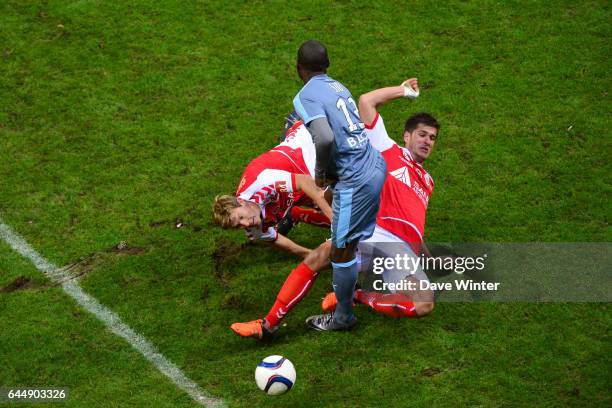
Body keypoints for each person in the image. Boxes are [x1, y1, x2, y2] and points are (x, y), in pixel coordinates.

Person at [230, 78, 439, 340]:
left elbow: (413, 218)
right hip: (371, 231)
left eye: (432, 138)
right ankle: (267, 323)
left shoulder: (428, 181)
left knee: (424, 305)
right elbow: (366, 101)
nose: (427, 141)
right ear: (407, 136)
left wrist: (427, 254)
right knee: (318, 257)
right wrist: (404, 91)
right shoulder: (387, 148)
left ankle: (357, 296)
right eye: (422, 134)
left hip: (403, 249)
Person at [293, 40, 387, 331]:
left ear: (298, 68)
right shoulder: (338, 87)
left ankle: (344, 316)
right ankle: (357, 284)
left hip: (356, 180)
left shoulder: (304, 97)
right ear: (328, 65)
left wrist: (321, 174)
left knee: (341, 249)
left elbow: (324, 137)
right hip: (373, 165)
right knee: (338, 212)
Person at [213, 121, 331, 258]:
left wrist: (331, 214)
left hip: (308, 147)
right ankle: (295, 214)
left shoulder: (259, 183)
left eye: (241, 217)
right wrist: (311, 256)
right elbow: (275, 239)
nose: (246, 224)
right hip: (298, 186)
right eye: (238, 226)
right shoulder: (252, 223)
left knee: (343, 208)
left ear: (242, 202)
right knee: (346, 215)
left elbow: (303, 181)